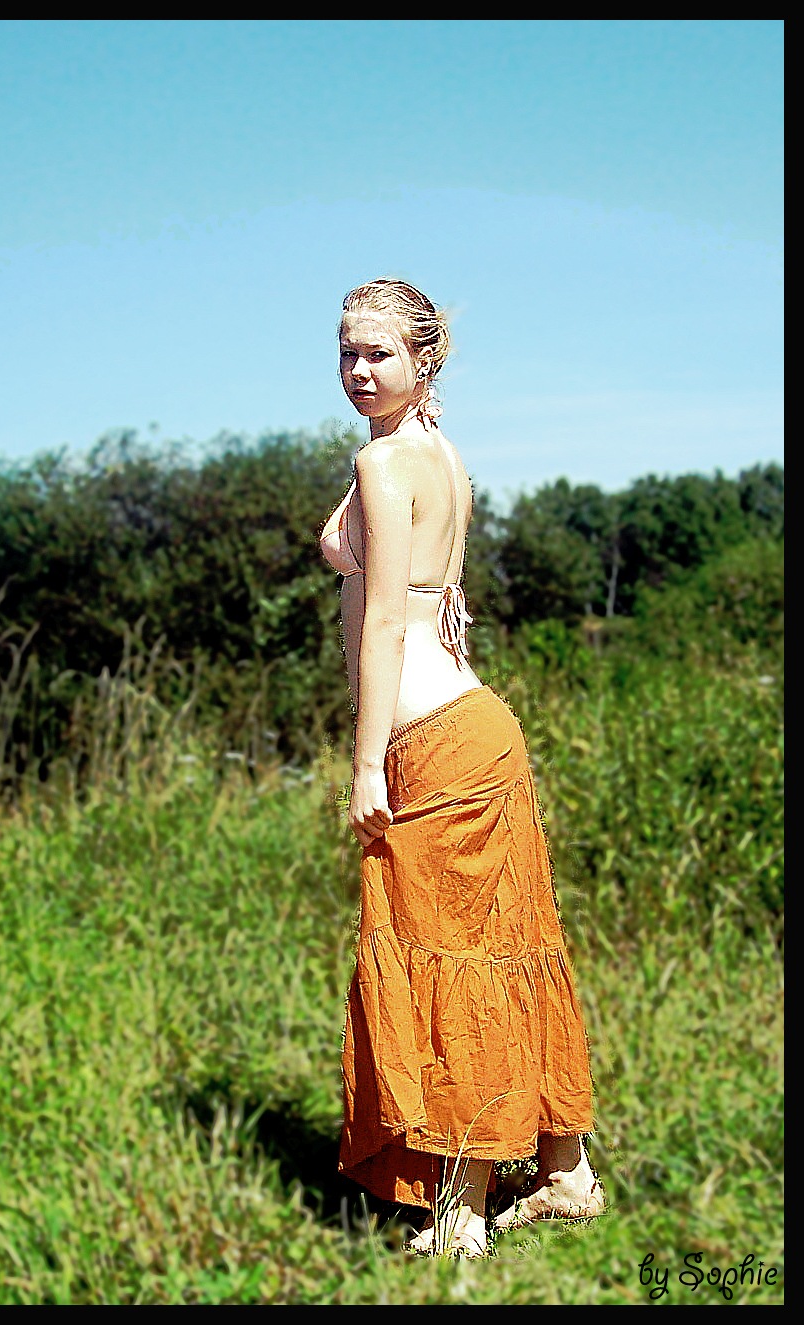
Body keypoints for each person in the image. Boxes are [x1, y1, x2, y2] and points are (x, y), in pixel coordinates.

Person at [319, 278, 603, 1258]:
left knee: (454, 963)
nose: (360, 370)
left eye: (380, 354)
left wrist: (367, 762)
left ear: (423, 359)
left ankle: (461, 1216)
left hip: (437, 744)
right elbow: (403, 578)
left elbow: (386, 625)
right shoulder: (433, 453)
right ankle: (565, 1172)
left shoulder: (388, 459)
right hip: (477, 731)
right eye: (348, 351)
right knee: (504, 949)